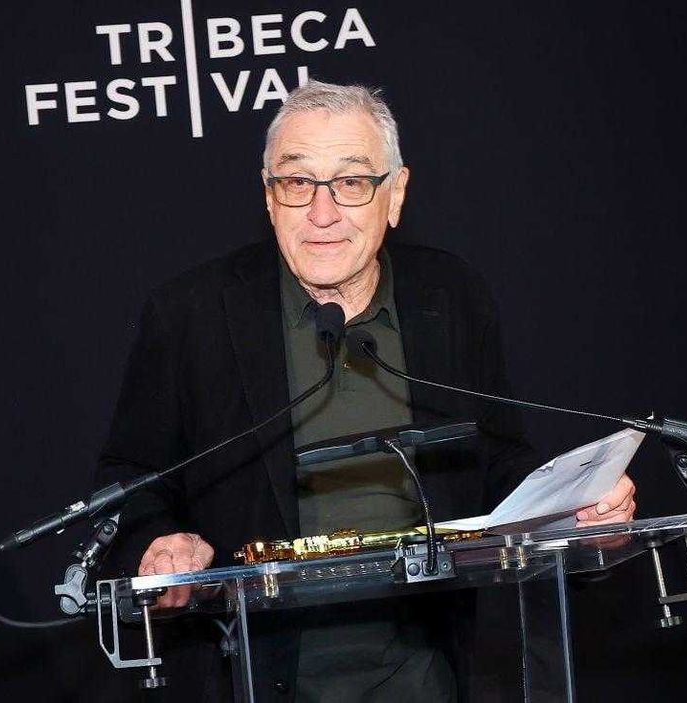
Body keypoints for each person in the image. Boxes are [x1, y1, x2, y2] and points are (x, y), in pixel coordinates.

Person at [97, 80, 637, 702]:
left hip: (431, 674)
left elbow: (496, 461)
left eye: (351, 182)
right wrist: (157, 542)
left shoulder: (448, 296)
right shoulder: (191, 315)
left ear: (395, 194)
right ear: (269, 196)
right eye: (297, 182)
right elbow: (128, 480)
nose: (322, 213)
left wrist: (576, 511)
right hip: (254, 673)